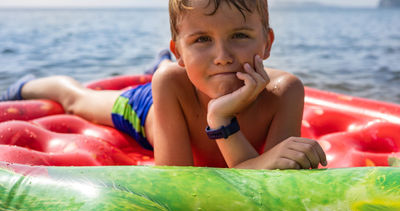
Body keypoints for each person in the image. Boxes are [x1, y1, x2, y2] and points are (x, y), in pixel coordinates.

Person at [1, 0, 327, 170]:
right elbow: (177, 184)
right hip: (149, 109)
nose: (223, 57)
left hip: (187, 77)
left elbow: (274, 183)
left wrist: (221, 118)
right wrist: (222, 123)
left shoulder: (285, 92)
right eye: (202, 40)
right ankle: (28, 85)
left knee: (176, 72)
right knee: (75, 99)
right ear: (181, 52)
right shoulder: (171, 84)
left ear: (267, 43)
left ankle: (170, 56)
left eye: (239, 36)